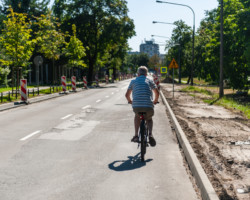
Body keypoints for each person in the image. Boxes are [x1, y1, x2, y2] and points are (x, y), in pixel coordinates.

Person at [125, 66, 159, 147]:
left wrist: (130, 101)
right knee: (149, 119)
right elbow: (157, 92)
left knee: (137, 116)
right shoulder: (150, 80)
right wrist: (155, 101)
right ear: (146, 74)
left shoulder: (133, 81)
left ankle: (136, 136)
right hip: (148, 105)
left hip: (136, 105)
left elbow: (127, 95)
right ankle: (150, 134)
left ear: (138, 74)